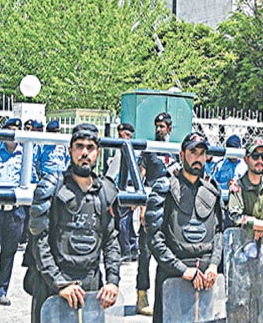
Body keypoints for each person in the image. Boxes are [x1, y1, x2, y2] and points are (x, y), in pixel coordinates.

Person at [25, 123, 120, 323]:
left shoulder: (106, 192)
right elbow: (38, 241)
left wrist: (112, 281)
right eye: (79, 146)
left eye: (90, 147)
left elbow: (111, 241)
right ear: (70, 150)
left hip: (91, 286)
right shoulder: (51, 187)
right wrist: (60, 283)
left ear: (98, 153)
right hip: (53, 286)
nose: (84, 153)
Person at [145, 132, 223, 323]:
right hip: (174, 275)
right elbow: (154, 238)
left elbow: (219, 232)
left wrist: (213, 264)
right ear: (182, 155)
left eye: (202, 153)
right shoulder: (165, 188)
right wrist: (181, 269)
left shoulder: (212, 190)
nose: (198, 158)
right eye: (193, 152)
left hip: (206, 277)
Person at [0, 117, 36, 311]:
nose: (13, 135)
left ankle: (1, 291)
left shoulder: (25, 154)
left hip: (15, 212)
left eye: (16, 130)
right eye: (10, 130)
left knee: (8, 254)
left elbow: (32, 179)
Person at [135, 112, 179, 316]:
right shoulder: (149, 150)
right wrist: (142, 203)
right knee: (144, 252)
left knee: (170, 252)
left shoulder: (177, 151)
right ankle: (141, 295)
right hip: (151, 205)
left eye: (162, 126)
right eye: (157, 126)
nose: (159, 129)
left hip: (170, 207)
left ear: (170, 128)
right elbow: (140, 178)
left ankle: (167, 296)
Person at [107, 123, 138, 261]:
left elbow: (111, 173)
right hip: (127, 188)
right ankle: (133, 248)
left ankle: (125, 251)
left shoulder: (124, 150)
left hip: (126, 188)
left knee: (123, 222)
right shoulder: (130, 150)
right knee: (128, 221)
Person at [208, 134, 247, 225]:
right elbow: (213, 183)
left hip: (240, 204)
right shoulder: (220, 165)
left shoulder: (245, 166)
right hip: (221, 203)